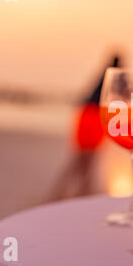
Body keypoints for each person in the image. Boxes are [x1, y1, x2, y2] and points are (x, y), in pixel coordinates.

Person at [49, 54, 122, 200]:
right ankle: (81, 193)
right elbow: (123, 99)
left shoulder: (102, 75)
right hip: (94, 116)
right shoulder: (115, 78)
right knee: (87, 158)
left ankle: (69, 192)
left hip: (85, 114)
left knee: (81, 158)